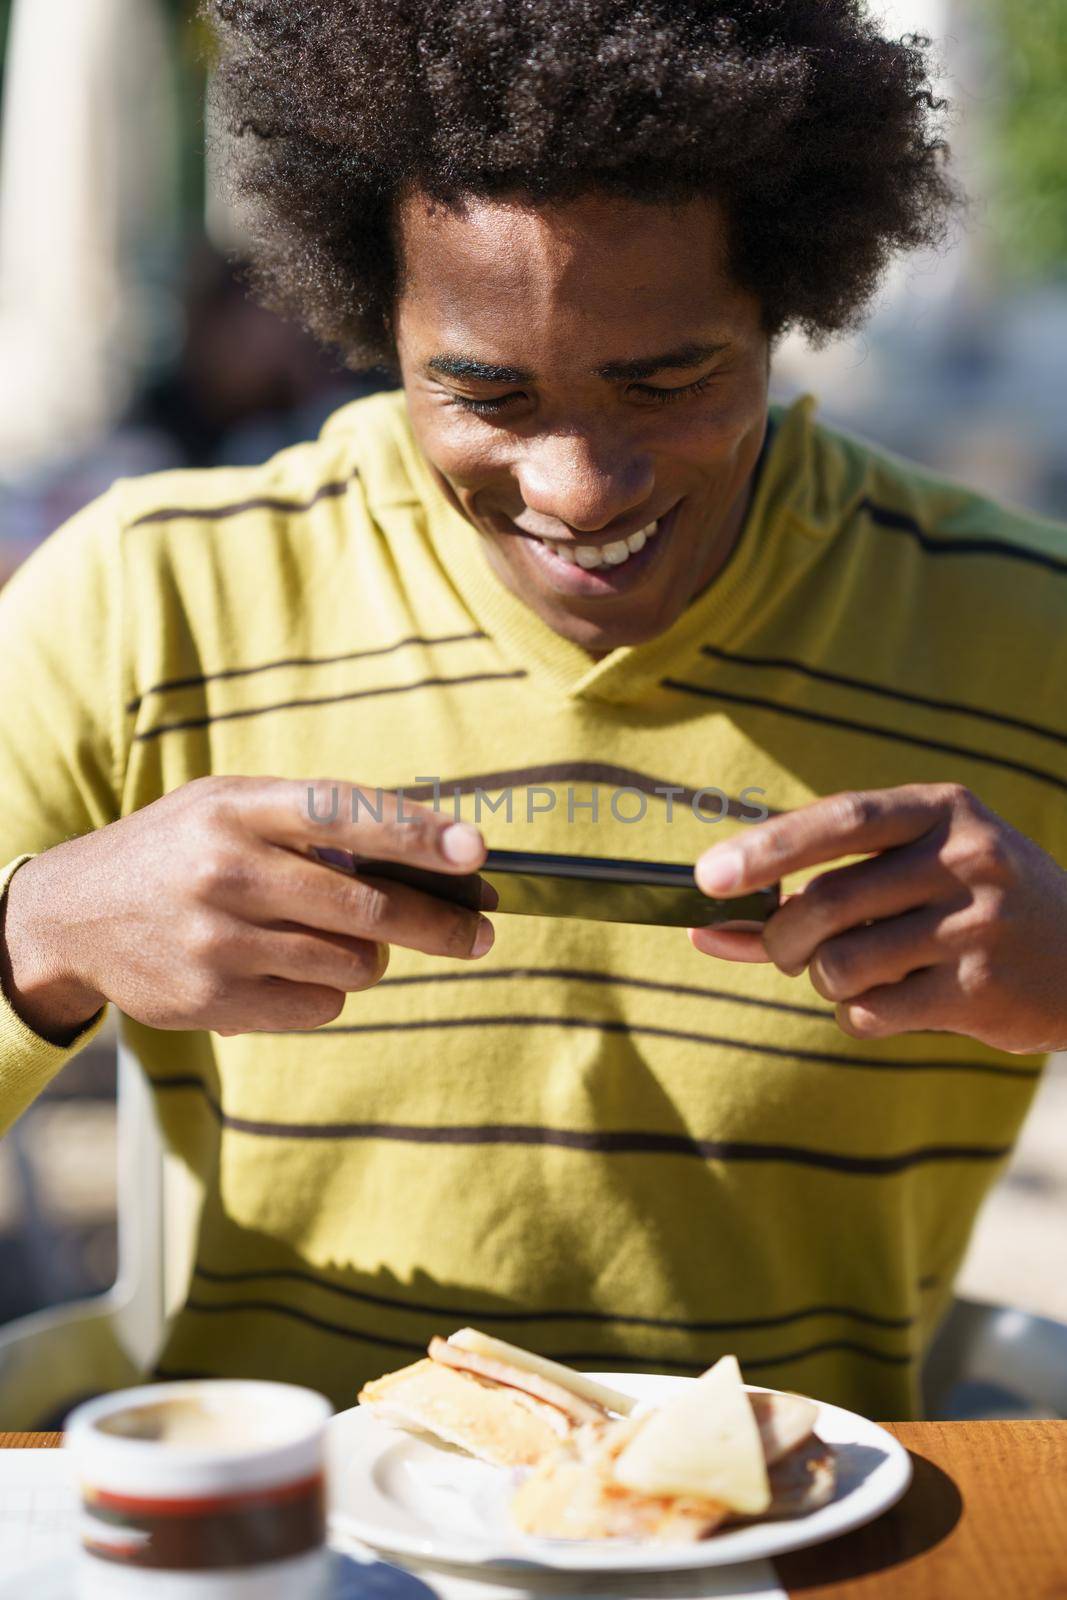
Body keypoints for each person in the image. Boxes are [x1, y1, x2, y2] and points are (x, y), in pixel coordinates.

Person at [1, 0, 1065, 1420]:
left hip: (793, 1541)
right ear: (368, 312)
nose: (577, 486)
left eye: (670, 379)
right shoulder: (149, 599)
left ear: (787, 302)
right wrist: (41, 938)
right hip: (291, 1544)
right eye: (486, 395)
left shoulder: (1029, 633)